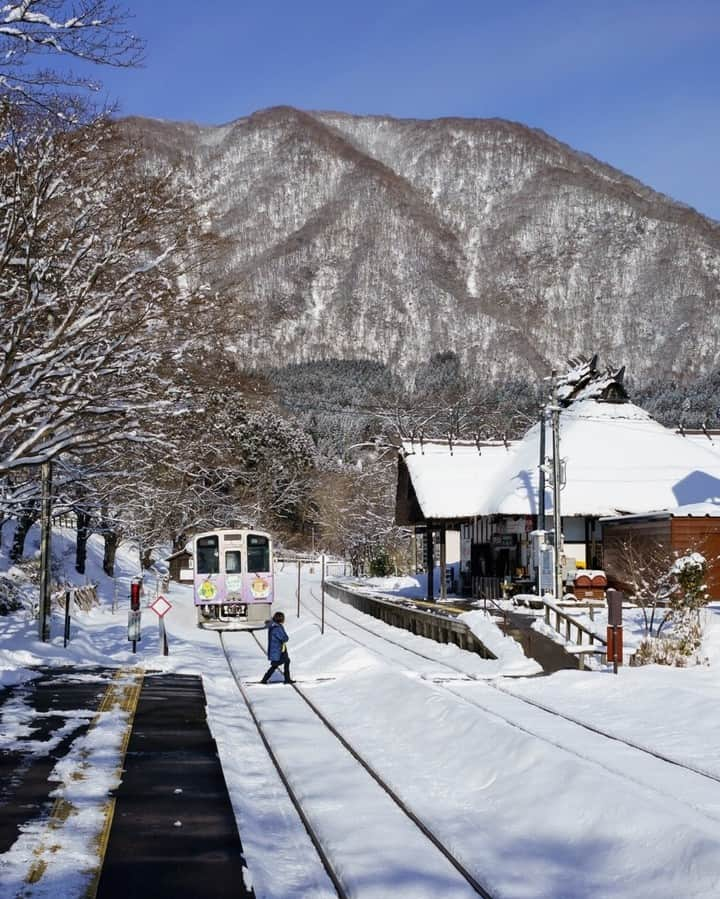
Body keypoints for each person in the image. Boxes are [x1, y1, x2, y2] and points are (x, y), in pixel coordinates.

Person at [261, 611, 292, 684]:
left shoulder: (274, 626)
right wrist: (286, 638)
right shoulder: (276, 628)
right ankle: (265, 679)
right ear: (280, 619)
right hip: (278, 650)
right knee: (277, 664)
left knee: (284, 662)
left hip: (280, 649)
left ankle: (265, 679)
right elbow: (284, 638)